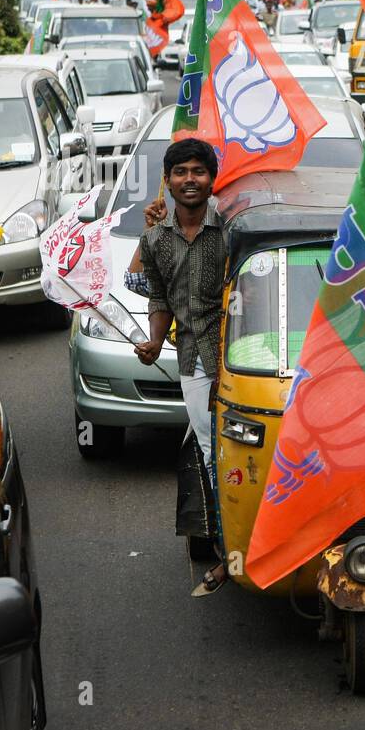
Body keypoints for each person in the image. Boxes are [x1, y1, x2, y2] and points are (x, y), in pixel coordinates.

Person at [134, 139, 227, 594]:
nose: (190, 179)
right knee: (211, 451)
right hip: (192, 359)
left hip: (244, 357)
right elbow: (159, 295)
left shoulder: (233, 229)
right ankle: (229, 547)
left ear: (212, 179)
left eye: (198, 171)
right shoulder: (153, 239)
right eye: (180, 172)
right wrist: (154, 338)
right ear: (168, 181)